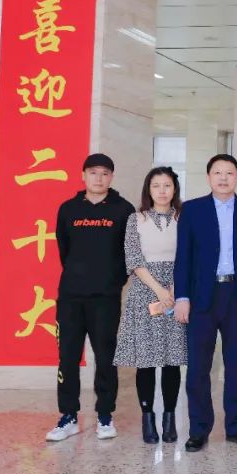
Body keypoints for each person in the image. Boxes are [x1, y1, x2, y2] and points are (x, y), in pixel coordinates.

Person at [173, 154, 237, 453]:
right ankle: (199, 429)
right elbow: (183, 256)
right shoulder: (192, 210)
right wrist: (182, 297)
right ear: (209, 177)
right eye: (217, 172)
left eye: (229, 173)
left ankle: (236, 427)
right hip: (202, 295)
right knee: (198, 366)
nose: (223, 178)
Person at [46, 153, 135, 443]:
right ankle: (68, 416)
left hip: (105, 299)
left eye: (105, 173)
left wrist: (112, 282)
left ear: (112, 177)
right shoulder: (68, 209)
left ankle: (105, 415)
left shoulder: (124, 210)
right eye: (93, 172)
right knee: (68, 357)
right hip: (71, 297)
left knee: (106, 357)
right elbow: (64, 249)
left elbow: (129, 253)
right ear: (83, 175)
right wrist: (79, 275)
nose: (99, 178)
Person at [112, 167, 187, 444]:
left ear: (174, 189)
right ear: (149, 189)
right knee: (145, 362)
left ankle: (169, 418)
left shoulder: (184, 218)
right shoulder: (136, 219)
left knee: (172, 360)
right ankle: (148, 419)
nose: (162, 191)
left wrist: (175, 290)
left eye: (167, 185)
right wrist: (159, 290)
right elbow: (133, 258)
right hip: (145, 292)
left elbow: (188, 255)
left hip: (177, 291)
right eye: (156, 186)